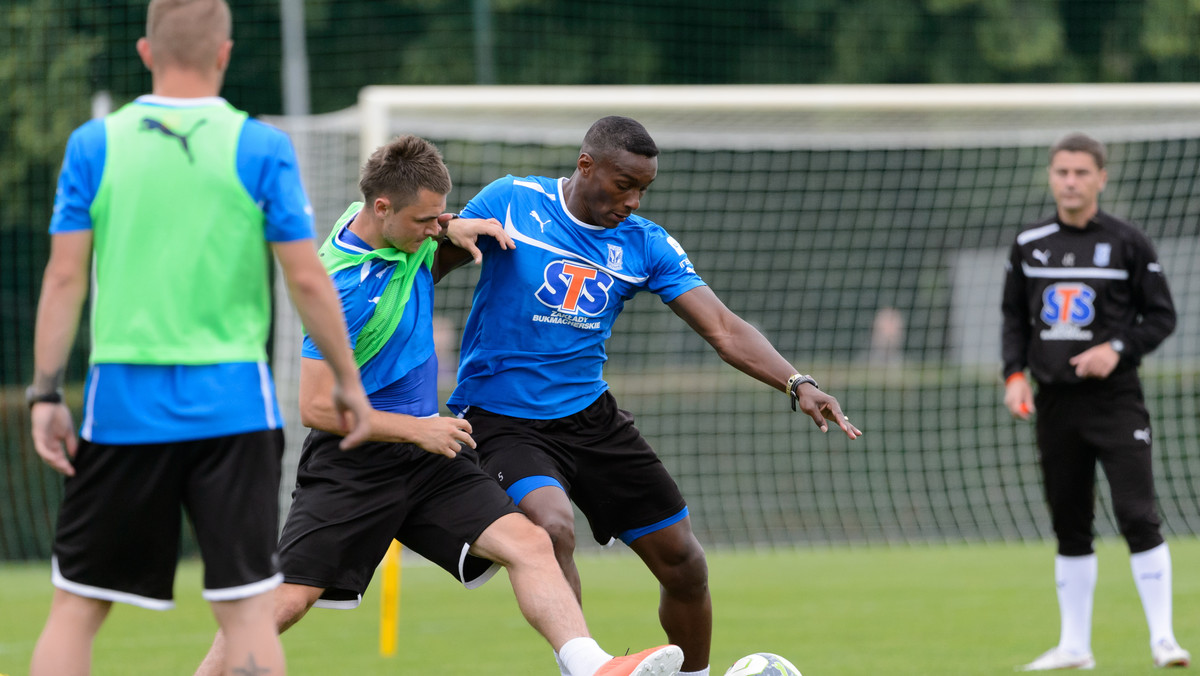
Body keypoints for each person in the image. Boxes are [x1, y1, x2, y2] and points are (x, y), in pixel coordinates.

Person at [194, 135, 684, 676]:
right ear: (382, 210)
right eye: (426, 223)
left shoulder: (393, 227)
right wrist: (416, 430)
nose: (436, 234)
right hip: (355, 462)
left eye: (439, 218)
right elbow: (314, 408)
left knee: (530, 542)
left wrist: (452, 225)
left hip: (427, 458)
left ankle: (592, 666)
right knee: (286, 603)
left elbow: (422, 222)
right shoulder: (343, 288)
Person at [25, 0, 374, 674]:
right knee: (246, 610)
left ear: (146, 53)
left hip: (122, 404)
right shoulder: (262, 146)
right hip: (234, 404)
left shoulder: (94, 144)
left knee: (76, 607)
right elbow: (306, 278)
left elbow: (64, 276)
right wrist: (349, 380)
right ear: (224, 53)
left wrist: (45, 393)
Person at [447, 115, 863, 676]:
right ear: (586, 166)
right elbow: (426, 264)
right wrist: (439, 234)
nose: (635, 201)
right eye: (625, 185)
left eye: (644, 189)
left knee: (684, 563)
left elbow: (723, 328)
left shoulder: (645, 244)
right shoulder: (511, 200)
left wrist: (798, 381)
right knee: (551, 526)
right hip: (502, 421)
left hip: (591, 419)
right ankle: (587, 667)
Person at [1001, 132, 1190, 671]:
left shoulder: (1129, 242)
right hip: (1054, 404)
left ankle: (1163, 640)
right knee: (1070, 522)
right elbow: (1014, 317)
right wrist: (1014, 374)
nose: (1071, 181)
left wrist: (1118, 348)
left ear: (1101, 178)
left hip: (1115, 402)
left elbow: (1162, 317)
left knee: (1137, 514)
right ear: (1051, 175)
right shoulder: (1029, 244)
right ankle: (1075, 647)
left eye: (1082, 172)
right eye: (1062, 171)